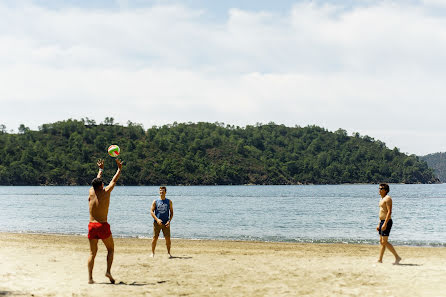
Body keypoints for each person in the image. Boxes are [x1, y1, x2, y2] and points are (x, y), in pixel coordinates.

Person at [87, 158, 123, 284]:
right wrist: (119, 169)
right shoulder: (106, 191)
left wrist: (100, 169)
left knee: (92, 252)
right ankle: (108, 271)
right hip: (102, 225)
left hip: (92, 225)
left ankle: (90, 278)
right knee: (111, 249)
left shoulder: (91, 192)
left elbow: (97, 181)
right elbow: (114, 180)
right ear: (102, 185)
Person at [376, 183, 402, 264]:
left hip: (387, 222)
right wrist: (379, 223)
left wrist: (385, 223)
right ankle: (380, 260)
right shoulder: (381, 199)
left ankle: (397, 257)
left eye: (381, 189)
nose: (379, 190)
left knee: (384, 241)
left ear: (385, 190)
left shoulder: (388, 199)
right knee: (382, 241)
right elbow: (382, 212)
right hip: (382, 221)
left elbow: (389, 212)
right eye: (379, 188)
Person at [150, 186, 173, 258]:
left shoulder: (169, 201)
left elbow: (172, 212)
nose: (161, 192)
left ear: (165, 192)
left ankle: (169, 253)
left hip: (166, 223)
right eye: (160, 191)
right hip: (157, 223)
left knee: (168, 239)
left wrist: (169, 221)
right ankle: (152, 253)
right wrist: (157, 219)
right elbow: (151, 212)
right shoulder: (155, 201)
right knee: (155, 238)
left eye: (163, 191)